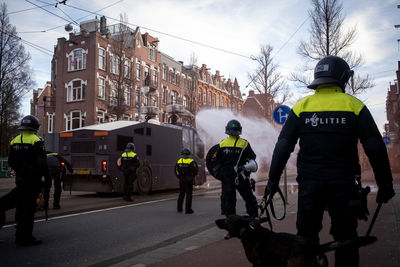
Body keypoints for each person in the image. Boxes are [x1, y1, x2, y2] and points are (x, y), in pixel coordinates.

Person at [264, 55, 395, 267]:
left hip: (310, 184)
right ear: (342, 78)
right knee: (346, 239)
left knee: (305, 237)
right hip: (344, 185)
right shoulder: (354, 105)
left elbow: (282, 147)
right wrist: (385, 184)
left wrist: (272, 181)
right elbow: (375, 147)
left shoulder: (302, 106)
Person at [8, 115, 49, 246]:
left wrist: (20, 171)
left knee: (20, 208)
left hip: (20, 180)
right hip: (33, 182)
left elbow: (11, 161)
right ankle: (27, 237)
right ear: (36, 127)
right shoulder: (37, 140)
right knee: (30, 208)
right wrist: (47, 179)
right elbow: (43, 163)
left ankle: (18, 235)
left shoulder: (14, 141)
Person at [216, 119, 258, 218]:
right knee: (250, 199)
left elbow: (218, 161)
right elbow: (253, 158)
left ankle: (231, 226)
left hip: (227, 178)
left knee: (229, 202)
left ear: (227, 130)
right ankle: (254, 220)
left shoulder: (222, 144)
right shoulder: (244, 144)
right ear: (240, 130)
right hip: (241, 177)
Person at [175, 148, 198, 214]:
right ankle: (188, 210)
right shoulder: (191, 161)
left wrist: (179, 177)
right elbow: (195, 170)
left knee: (181, 194)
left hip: (182, 180)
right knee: (189, 194)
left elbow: (176, 171)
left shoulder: (179, 161)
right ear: (189, 154)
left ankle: (179, 208)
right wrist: (192, 177)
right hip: (189, 181)